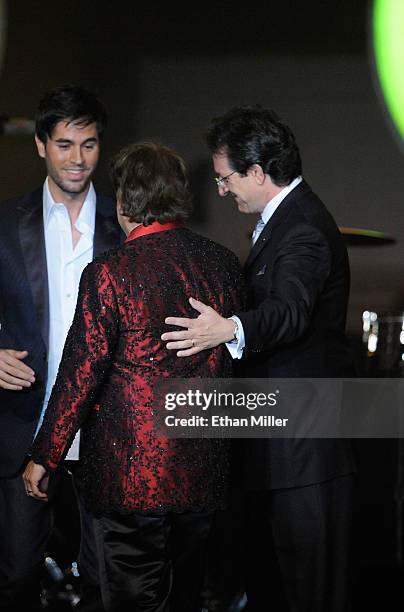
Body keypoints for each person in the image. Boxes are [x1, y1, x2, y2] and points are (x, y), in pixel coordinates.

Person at [23, 142, 244, 612]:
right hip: (204, 473)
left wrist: (46, 453)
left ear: (125, 201)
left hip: (131, 476)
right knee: (186, 599)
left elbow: (81, 373)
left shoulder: (109, 272)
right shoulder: (223, 264)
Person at [161, 107, 355, 612]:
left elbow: (289, 311)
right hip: (281, 446)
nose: (222, 191)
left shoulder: (304, 227)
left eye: (226, 179)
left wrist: (229, 328)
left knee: (307, 592)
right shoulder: (285, 221)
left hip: (304, 452)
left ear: (257, 173)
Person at [0, 85, 122, 611]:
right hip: (25, 423)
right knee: (15, 582)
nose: (78, 158)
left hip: (106, 428)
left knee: (107, 585)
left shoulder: (124, 222)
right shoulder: (2, 222)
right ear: (41, 145)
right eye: (66, 144)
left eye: (89, 145)